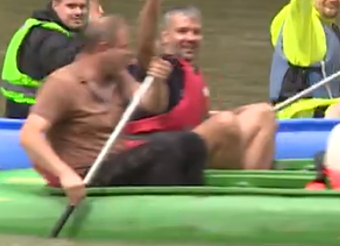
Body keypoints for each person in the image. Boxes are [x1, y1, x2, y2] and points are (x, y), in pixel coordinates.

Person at [18, 14, 212, 205]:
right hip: (86, 175)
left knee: (192, 141)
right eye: (124, 48)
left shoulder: (118, 76)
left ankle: (188, 200)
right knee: (166, 146)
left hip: (115, 165)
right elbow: (29, 135)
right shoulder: (62, 83)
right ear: (103, 48)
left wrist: (159, 81)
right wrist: (65, 174)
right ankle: (165, 207)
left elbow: (153, 105)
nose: (130, 55)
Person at [122, 0, 275, 169]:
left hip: (190, 146)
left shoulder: (191, 72)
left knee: (263, 112)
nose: (190, 38)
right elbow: (145, 45)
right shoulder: (161, 65)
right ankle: (236, 186)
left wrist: (235, 111)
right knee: (225, 124)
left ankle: (253, 186)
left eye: (196, 32)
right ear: (165, 37)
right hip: (159, 156)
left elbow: (196, 115)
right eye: (182, 31)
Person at [0, 0, 107, 119]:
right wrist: (94, 30)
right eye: (71, 6)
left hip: (30, 108)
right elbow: (69, 62)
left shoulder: (49, 27)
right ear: (55, 5)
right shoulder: (47, 35)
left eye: (82, 7)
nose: (78, 12)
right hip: (30, 113)